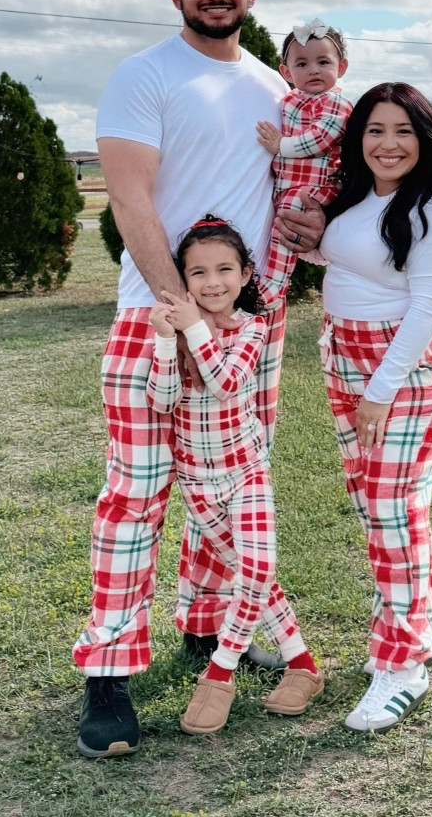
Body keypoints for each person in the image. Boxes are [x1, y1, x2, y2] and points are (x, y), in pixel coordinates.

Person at [74, 0, 304, 759]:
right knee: (136, 497)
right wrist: (180, 308)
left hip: (247, 329)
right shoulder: (145, 75)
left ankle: (206, 628)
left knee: (228, 482)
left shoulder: (276, 87)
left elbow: (287, 195)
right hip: (156, 318)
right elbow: (130, 200)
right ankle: (107, 674)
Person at [74, 216, 323, 743]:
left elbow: (228, 383)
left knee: (257, 569)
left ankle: (220, 674)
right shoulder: (182, 336)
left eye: (225, 269)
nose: (213, 283)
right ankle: (302, 662)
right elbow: (163, 399)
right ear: (182, 280)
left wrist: (192, 330)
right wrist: (169, 342)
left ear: (246, 272)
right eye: (199, 273)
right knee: (249, 571)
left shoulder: (252, 328)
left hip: (245, 471)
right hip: (199, 482)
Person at [312, 84, 432, 734]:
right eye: (375, 130)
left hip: (407, 369)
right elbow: (351, 261)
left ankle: (402, 663)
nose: (388, 143)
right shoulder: (355, 198)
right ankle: (419, 626)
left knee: (389, 508)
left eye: (402, 131)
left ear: (422, 139)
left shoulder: (431, 210)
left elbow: (426, 308)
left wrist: (378, 392)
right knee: (381, 509)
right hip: (344, 358)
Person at [255, 18, 351, 302]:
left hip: (315, 185)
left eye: (323, 62)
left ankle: (274, 283)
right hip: (288, 184)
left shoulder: (335, 103)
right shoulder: (289, 101)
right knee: (275, 224)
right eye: (302, 65)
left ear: (341, 67)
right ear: (285, 72)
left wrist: (280, 145)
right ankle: (263, 274)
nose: (313, 71)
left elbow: (321, 138)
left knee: (288, 218)